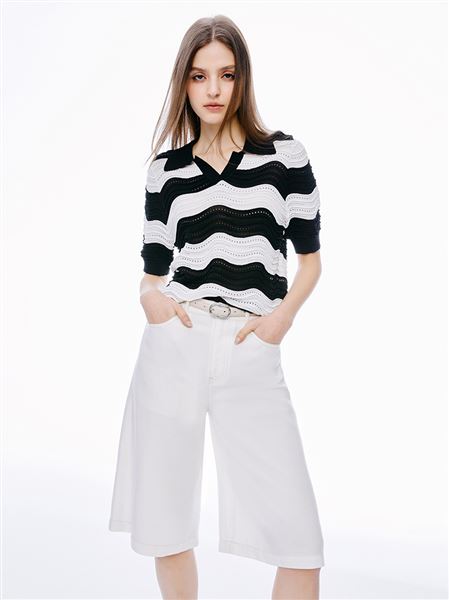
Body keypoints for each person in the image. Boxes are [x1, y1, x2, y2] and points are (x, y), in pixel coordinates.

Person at [109, 14, 325, 600]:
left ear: (242, 79)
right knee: (166, 524)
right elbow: (152, 274)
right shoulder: (166, 172)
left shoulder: (285, 157)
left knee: (300, 544)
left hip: (250, 349)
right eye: (199, 76)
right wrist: (151, 303)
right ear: (183, 81)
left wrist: (280, 319)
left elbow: (310, 263)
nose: (213, 89)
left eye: (226, 75)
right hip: (175, 344)